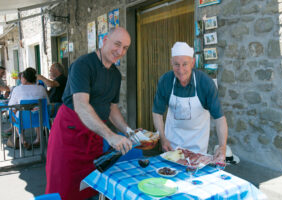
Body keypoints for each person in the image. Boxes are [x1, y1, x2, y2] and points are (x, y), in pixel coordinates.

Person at [46, 27, 134, 200]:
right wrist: (110, 136)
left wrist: (129, 131)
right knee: (63, 188)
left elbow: (112, 108)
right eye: (117, 44)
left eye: (125, 47)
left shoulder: (115, 75)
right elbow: (81, 106)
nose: (120, 51)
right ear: (105, 40)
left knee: (92, 187)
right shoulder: (82, 65)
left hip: (93, 137)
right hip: (69, 136)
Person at [152, 42, 228, 163]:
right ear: (171, 62)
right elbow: (157, 113)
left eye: (185, 64)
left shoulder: (205, 83)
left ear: (192, 62)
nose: (181, 70)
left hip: (197, 146)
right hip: (172, 145)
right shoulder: (165, 81)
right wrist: (162, 138)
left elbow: (219, 118)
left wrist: (222, 146)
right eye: (176, 64)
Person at [8, 68, 49, 149]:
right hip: (40, 118)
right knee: (35, 112)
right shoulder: (41, 88)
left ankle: (23, 141)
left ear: (25, 79)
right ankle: (38, 139)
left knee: (13, 113)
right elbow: (47, 102)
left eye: (22, 77)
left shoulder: (17, 89)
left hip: (23, 119)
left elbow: (10, 105)